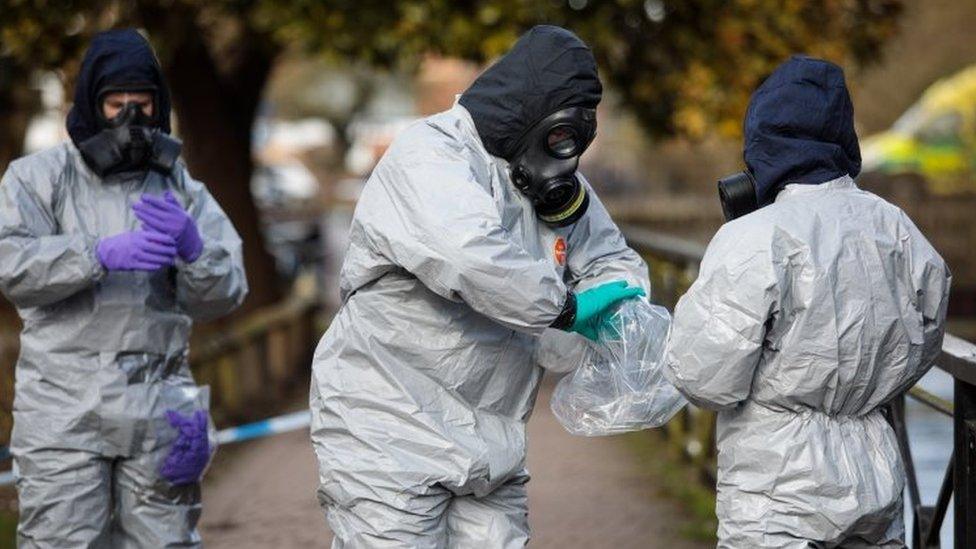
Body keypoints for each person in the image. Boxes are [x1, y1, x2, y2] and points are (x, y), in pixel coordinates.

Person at [309, 25, 648, 547]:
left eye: (573, 140)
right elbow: (470, 255)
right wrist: (565, 309)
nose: (564, 153)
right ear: (528, 109)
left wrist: (613, 310)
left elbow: (613, 258)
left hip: (493, 442)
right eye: (558, 132)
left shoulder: (550, 181)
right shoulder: (430, 154)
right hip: (386, 430)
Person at [664, 55, 951, 548]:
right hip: (875, 471)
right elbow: (926, 334)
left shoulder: (754, 237)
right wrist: (864, 391)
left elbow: (701, 376)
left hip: (775, 488)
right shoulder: (897, 228)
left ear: (760, 143)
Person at [0, 29, 247, 547]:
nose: (131, 118)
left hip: (160, 405)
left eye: (143, 102)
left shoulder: (180, 187)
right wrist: (95, 254)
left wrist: (196, 251)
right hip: (63, 408)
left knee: (165, 541)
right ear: (92, 104)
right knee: (62, 541)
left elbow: (225, 295)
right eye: (116, 103)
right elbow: (9, 264)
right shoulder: (36, 180)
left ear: (160, 106)